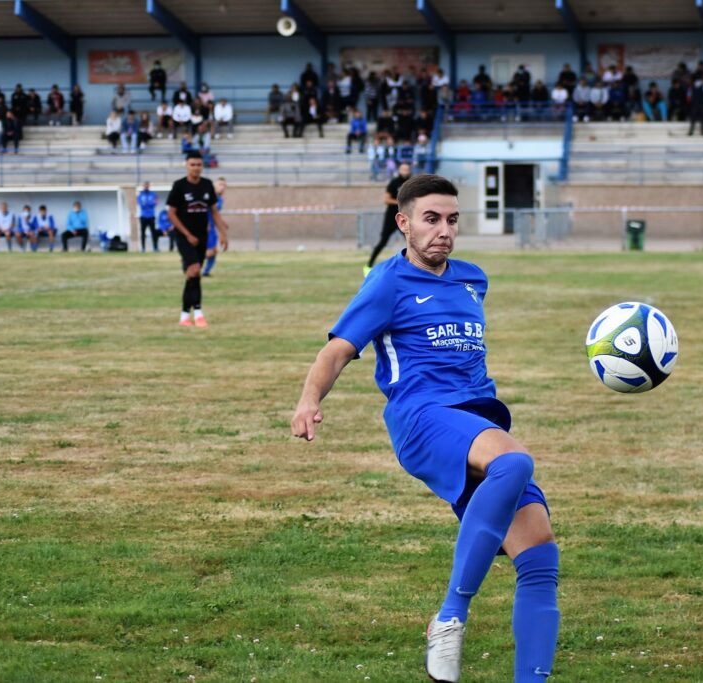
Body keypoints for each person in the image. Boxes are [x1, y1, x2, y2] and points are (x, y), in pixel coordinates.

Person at [291, 174, 559, 683]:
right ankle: (451, 617)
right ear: (404, 223)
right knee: (514, 460)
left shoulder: (472, 279)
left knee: (540, 554)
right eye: (431, 219)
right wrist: (308, 400)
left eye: (452, 220)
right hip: (421, 416)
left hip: (474, 421)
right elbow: (337, 350)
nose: (443, 230)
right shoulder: (387, 282)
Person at [167, 151, 228, 327]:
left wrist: (222, 233)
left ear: (202, 166)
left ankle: (185, 316)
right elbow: (171, 213)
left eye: (199, 165)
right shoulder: (179, 186)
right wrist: (187, 235)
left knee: (193, 275)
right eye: (192, 164)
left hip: (202, 236)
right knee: (194, 270)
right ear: (187, 165)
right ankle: (199, 313)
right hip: (185, 237)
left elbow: (214, 211)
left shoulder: (207, 185)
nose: (196, 168)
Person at [366, 161, 411, 272]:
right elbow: (386, 199)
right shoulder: (394, 183)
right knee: (383, 241)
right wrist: (401, 202)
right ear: (399, 170)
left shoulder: (412, 184)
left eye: (407, 169)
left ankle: (416, 266)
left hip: (406, 218)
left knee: (412, 241)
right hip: (391, 217)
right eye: (403, 169)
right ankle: (369, 265)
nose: (405, 172)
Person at [203, 176, 226, 277]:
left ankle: (206, 271)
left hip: (212, 227)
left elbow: (215, 214)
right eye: (220, 184)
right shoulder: (209, 197)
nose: (223, 187)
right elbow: (203, 210)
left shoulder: (220, 199)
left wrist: (222, 223)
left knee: (214, 251)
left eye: (224, 185)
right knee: (212, 251)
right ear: (214, 186)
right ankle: (190, 260)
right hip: (206, 227)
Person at [137, 181, 159, 252]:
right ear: (143, 186)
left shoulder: (153, 194)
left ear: (149, 186)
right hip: (143, 216)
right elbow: (141, 204)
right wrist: (150, 203)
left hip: (151, 216)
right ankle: (143, 248)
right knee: (143, 233)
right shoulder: (140, 194)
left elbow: (156, 202)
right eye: (145, 185)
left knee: (153, 232)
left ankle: (155, 248)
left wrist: (147, 203)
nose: (146, 186)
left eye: (147, 185)